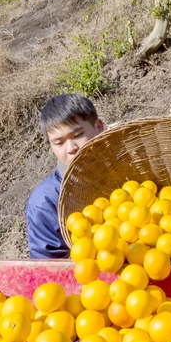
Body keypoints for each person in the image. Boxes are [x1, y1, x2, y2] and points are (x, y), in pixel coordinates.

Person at [26, 94, 104, 259]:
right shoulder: (45, 203)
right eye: (59, 143)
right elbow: (52, 272)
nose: (71, 148)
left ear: (99, 127)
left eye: (77, 135)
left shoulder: (126, 173)